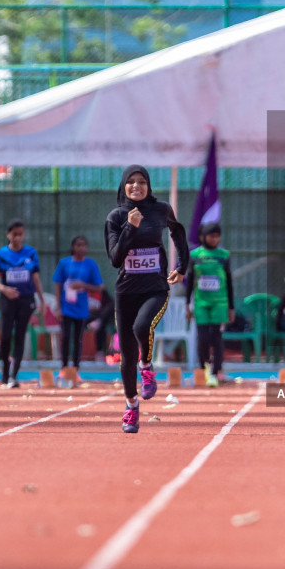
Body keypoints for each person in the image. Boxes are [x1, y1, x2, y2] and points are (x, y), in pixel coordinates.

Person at [106, 165, 189, 434]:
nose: (136, 186)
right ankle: (131, 406)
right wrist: (130, 227)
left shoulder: (161, 209)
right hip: (125, 292)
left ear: (148, 186)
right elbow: (116, 258)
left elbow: (178, 232)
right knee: (125, 356)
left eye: (142, 182)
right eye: (131, 182)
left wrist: (182, 266)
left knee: (142, 327)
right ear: (124, 186)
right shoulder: (117, 216)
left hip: (155, 288)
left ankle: (148, 365)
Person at [0, 219, 44, 388]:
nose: (18, 238)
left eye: (20, 234)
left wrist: (41, 299)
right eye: (14, 234)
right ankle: (5, 371)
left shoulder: (31, 253)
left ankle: (14, 375)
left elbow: (35, 277)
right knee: (5, 335)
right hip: (7, 299)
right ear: (8, 234)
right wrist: (3, 289)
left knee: (20, 335)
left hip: (26, 299)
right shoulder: (1, 254)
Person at [53, 235, 103, 384]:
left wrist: (84, 285)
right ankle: (63, 368)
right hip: (66, 307)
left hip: (81, 308)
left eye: (84, 245)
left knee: (78, 339)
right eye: (78, 245)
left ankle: (75, 369)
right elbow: (58, 285)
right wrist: (58, 308)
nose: (81, 248)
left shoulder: (91, 265)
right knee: (66, 337)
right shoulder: (64, 263)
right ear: (73, 247)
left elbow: (99, 286)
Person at [188, 223, 234, 386]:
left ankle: (215, 372)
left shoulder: (224, 255)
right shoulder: (195, 255)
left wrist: (231, 308)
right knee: (202, 338)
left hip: (219, 303)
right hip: (201, 303)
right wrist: (188, 305)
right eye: (211, 236)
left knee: (216, 337)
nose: (214, 239)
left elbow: (229, 282)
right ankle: (203, 368)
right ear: (203, 237)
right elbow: (189, 282)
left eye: (217, 236)